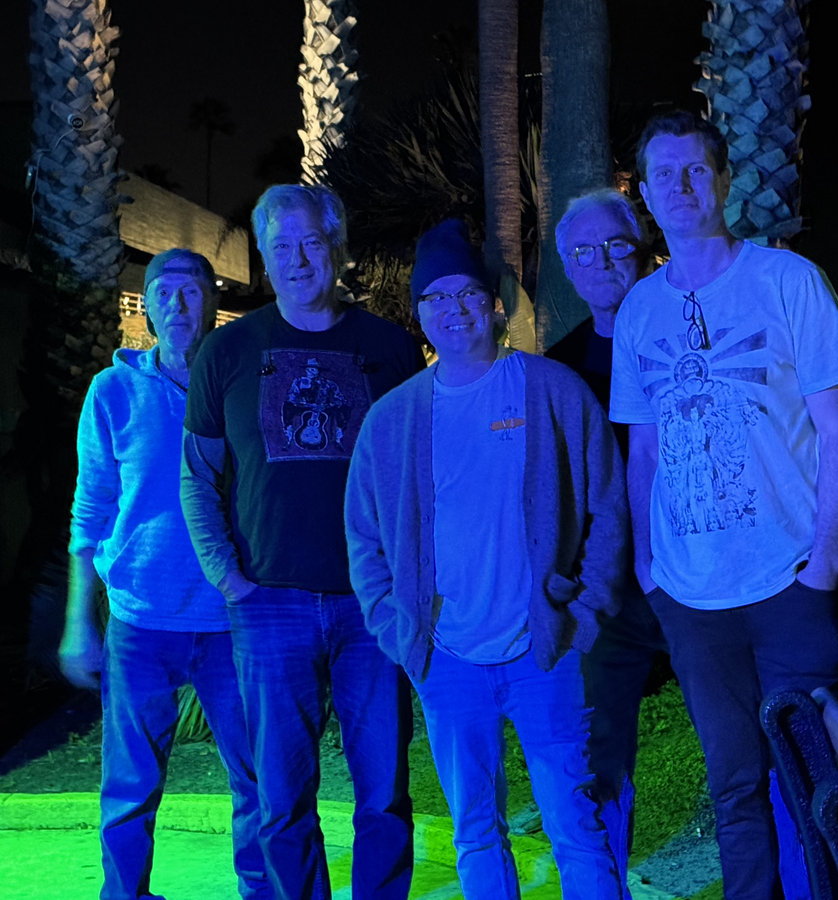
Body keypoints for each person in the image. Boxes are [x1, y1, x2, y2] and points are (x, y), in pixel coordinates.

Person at [609, 111, 838, 899]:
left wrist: (825, 563)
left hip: (789, 578)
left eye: (695, 169)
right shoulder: (639, 311)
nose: (681, 186)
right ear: (646, 193)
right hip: (692, 596)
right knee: (734, 787)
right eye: (664, 174)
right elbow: (644, 451)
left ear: (723, 179)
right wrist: (650, 568)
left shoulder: (788, 281)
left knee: (814, 782)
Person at [345, 219, 629, 899]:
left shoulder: (552, 390)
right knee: (475, 831)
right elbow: (364, 536)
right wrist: (398, 629)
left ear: (494, 304)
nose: (455, 309)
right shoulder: (393, 419)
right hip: (448, 661)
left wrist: (584, 614)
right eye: (437, 297)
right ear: (420, 314)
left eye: (468, 293)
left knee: (574, 825)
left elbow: (609, 506)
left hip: (545, 652)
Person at [181, 185, 421, 900]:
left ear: (335, 248)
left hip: (370, 606)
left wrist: (408, 583)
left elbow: (420, 474)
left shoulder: (389, 348)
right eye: (281, 246)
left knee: (383, 792)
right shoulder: (226, 351)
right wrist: (227, 577)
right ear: (263, 255)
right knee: (282, 798)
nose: (298, 259)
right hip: (269, 604)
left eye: (312, 242)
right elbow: (197, 476)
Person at [60, 248, 269, 900]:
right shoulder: (113, 392)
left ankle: (264, 890)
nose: (177, 304)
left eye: (191, 291)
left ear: (213, 303)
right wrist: (77, 623)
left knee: (259, 781)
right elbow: (90, 509)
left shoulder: (241, 386)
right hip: (140, 623)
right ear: (146, 307)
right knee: (129, 787)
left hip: (230, 620)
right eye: (163, 292)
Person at [546, 189, 668, 896]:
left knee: (740, 756)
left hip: (692, 583)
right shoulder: (558, 370)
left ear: (642, 250)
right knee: (600, 765)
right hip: (606, 599)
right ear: (567, 265)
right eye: (582, 252)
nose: (601, 262)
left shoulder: (686, 340)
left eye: (616, 245)